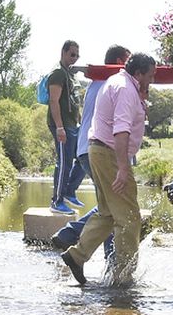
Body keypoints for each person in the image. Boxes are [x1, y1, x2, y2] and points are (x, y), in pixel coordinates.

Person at [60, 52, 156, 287]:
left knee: (108, 213)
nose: (152, 80)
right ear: (139, 73)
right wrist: (123, 168)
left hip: (99, 150)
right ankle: (123, 278)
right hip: (110, 153)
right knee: (130, 217)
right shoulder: (125, 89)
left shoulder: (117, 82)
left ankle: (76, 256)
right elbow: (121, 130)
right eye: (150, 76)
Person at [51, 46, 130, 252]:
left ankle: (104, 253)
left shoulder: (97, 82)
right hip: (100, 149)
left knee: (108, 204)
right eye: (128, 60)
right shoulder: (115, 84)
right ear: (119, 62)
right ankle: (73, 235)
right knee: (114, 204)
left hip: (87, 148)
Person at [46, 40, 83, 215]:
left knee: (83, 157)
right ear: (63, 52)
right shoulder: (58, 73)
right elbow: (54, 101)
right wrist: (59, 127)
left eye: (77, 55)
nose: (75, 58)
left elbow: (74, 101)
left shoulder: (70, 74)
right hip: (62, 125)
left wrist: (80, 120)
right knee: (65, 162)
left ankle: (69, 191)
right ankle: (57, 201)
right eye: (72, 54)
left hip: (73, 124)